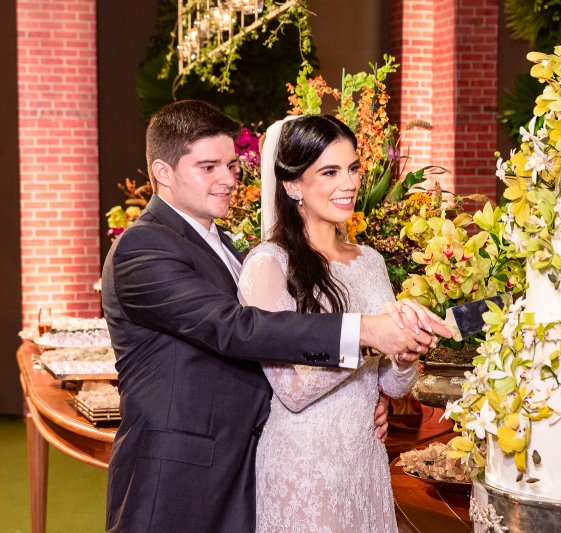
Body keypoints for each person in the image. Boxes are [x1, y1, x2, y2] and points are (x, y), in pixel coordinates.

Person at [101, 100, 449, 533]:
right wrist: (366, 334)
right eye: (209, 167)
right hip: (179, 475)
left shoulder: (225, 245)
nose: (228, 179)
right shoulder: (143, 247)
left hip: (245, 461)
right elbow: (236, 329)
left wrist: (373, 392)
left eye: (231, 165)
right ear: (163, 172)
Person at [239, 114, 426, 533]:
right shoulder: (269, 266)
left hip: (364, 457)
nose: (349, 183)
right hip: (304, 465)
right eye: (330, 171)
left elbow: (394, 387)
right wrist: (374, 337)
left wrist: (408, 349)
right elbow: (294, 390)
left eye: (353, 168)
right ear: (291, 185)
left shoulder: (371, 262)